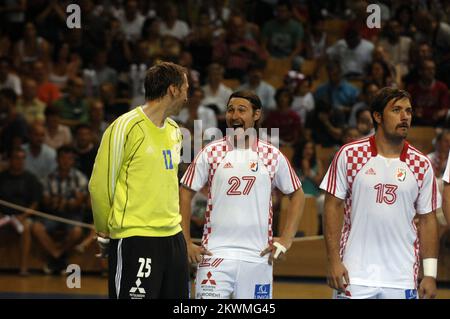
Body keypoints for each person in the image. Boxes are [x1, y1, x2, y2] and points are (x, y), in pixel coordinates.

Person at [180, 90, 305, 299]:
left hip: (257, 258)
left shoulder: (271, 154)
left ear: (256, 115)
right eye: (230, 110)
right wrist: (185, 241)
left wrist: (286, 239)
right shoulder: (210, 152)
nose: (234, 115)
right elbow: (184, 192)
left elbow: (297, 195)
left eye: (241, 110)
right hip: (214, 256)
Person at [320, 87, 440, 299]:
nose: (405, 117)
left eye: (409, 111)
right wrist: (333, 261)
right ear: (377, 116)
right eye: (396, 110)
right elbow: (332, 205)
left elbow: (428, 219)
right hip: (353, 275)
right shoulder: (350, 154)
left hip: (402, 277)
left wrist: (429, 274)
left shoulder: (422, 164)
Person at [89, 62, 190, 299]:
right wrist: (104, 232)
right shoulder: (125, 126)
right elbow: (100, 185)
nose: (188, 96)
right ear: (173, 90)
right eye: (186, 88)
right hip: (137, 237)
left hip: (173, 238)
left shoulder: (176, 130)